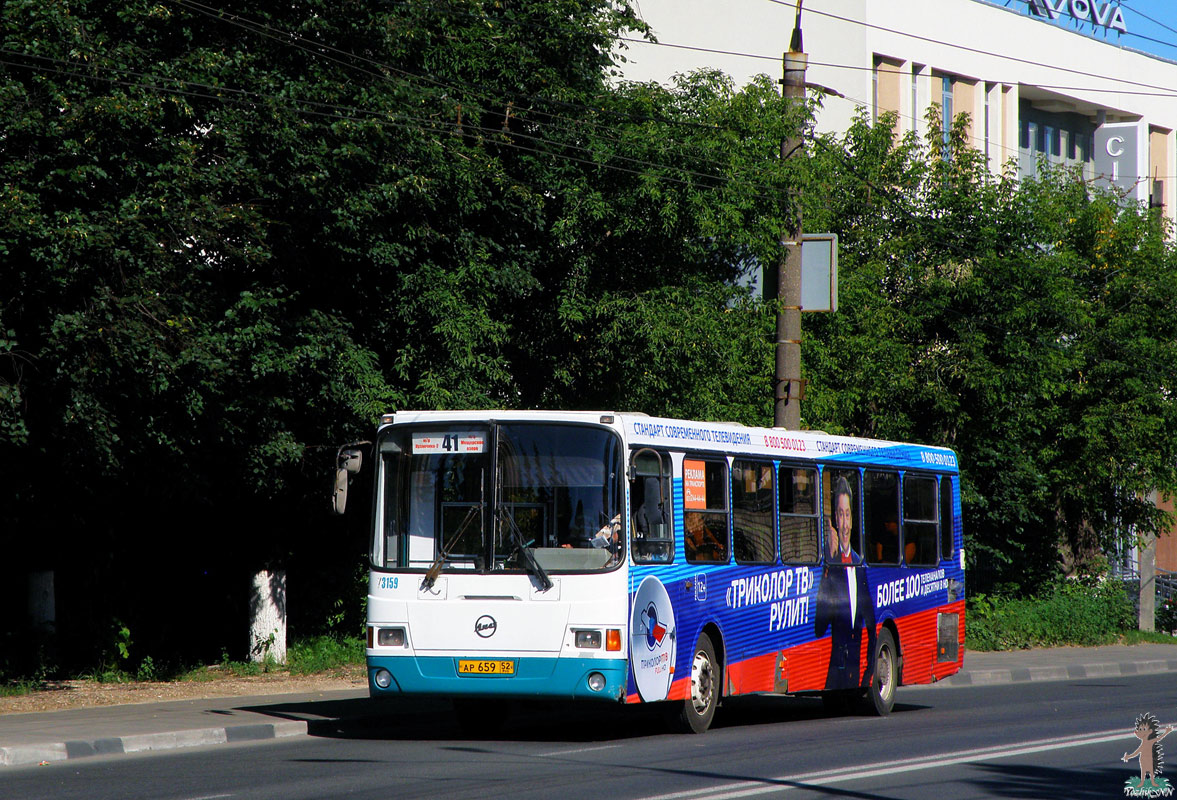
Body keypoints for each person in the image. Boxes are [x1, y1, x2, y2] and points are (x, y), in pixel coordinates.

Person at [814, 475, 876, 692]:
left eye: (847, 514)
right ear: (835, 522)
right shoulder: (829, 565)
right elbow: (819, 628)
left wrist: (871, 669)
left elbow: (871, 624)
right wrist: (828, 566)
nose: (845, 523)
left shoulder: (860, 565)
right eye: (840, 515)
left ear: (852, 519)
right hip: (834, 672)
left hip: (858, 670)